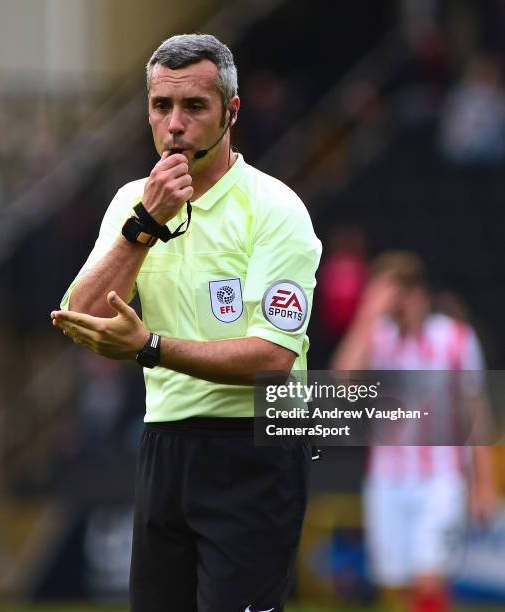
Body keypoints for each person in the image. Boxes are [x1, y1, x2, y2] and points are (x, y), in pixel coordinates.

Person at [51, 34, 322, 612]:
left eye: (194, 107)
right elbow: (80, 319)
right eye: (161, 107)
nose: (174, 124)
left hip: (255, 448)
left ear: (232, 111)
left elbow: (272, 361)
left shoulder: (276, 210)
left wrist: (150, 347)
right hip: (165, 443)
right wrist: (144, 224)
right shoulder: (133, 202)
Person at [331, 251, 497, 612]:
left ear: (416, 292)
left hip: (441, 478)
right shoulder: (376, 339)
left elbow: (476, 410)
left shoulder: (455, 338)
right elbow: (342, 385)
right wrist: (366, 317)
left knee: (429, 578)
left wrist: (484, 482)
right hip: (387, 479)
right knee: (397, 586)